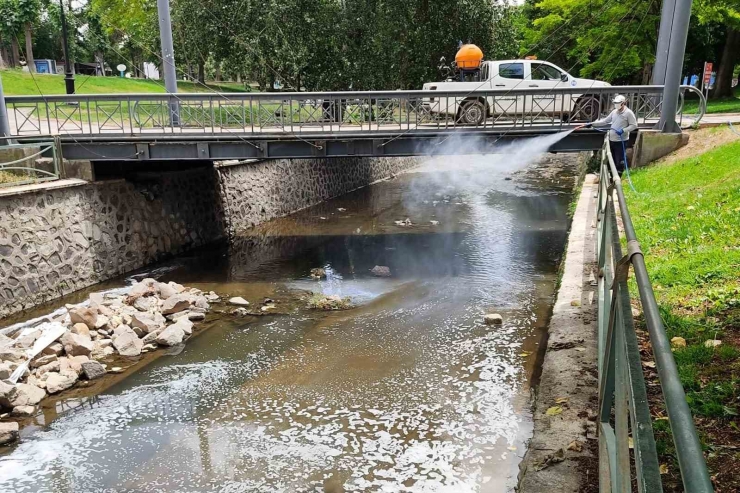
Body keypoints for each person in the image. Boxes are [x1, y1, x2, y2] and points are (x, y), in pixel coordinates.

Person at [576, 95, 637, 175]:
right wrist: (591, 124)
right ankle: (612, 176)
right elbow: (605, 121)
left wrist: (623, 130)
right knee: (612, 159)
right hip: (612, 140)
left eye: (618, 103)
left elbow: (634, 125)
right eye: (615, 103)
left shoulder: (628, 113)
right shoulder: (614, 112)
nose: (616, 105)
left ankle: (618, 178)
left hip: (621, 141)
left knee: (619, 161)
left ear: (623, 103)